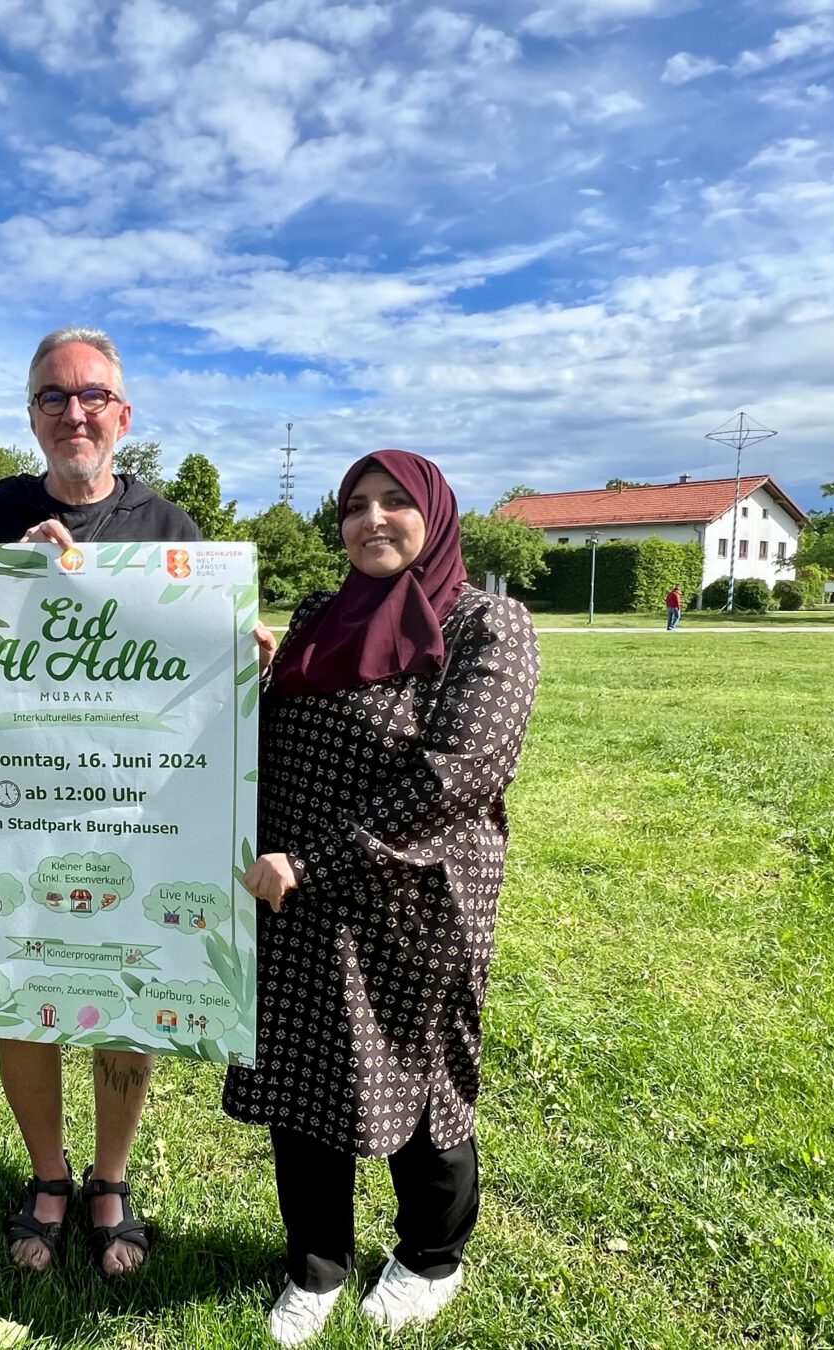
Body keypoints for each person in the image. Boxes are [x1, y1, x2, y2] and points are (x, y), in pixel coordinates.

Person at [0, 325, 263, 1279]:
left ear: (122, 416)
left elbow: (201, 664)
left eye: (92, 395)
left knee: (129, 988)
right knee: (23, 984)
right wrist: (11, 578)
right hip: (17, 804)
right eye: (53, 396)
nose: (74, 412)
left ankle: (110, 1179)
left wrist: (247, 657)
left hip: (138, 810)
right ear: (33, 415)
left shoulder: (168, 527)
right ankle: (49, 1174)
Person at [225, 449, 540, 1346]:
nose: (371, 520)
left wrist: (314, 860)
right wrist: (251, 678)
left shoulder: (486, 624)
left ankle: (432, 1256)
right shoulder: (321, 616)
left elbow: (458, 775)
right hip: (296, 899)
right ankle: (315, 1264)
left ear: (434, 514)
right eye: (355, 505)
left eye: (394, 502)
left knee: (421, 1080)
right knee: (301, 1079)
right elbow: (277, 735)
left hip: (415, 901)